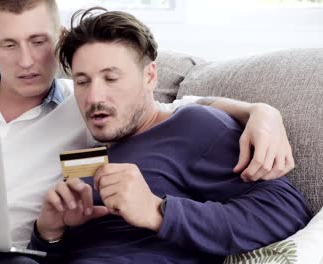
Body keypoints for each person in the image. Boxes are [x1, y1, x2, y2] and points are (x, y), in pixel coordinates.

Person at [0, 0, 295, 263]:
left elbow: (174, 112)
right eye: (9, 45)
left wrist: (262, 111)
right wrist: (50, 232)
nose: (26, 61)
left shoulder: (107, 116)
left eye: (38, 42)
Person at [30, 7, 312, 264]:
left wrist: (157, 211)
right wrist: (49, 232)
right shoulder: (83, 151)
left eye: (111, 78)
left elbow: (286, 211)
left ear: (150, 77)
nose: (94, 96)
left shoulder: (193, 127)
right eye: (82, 81)